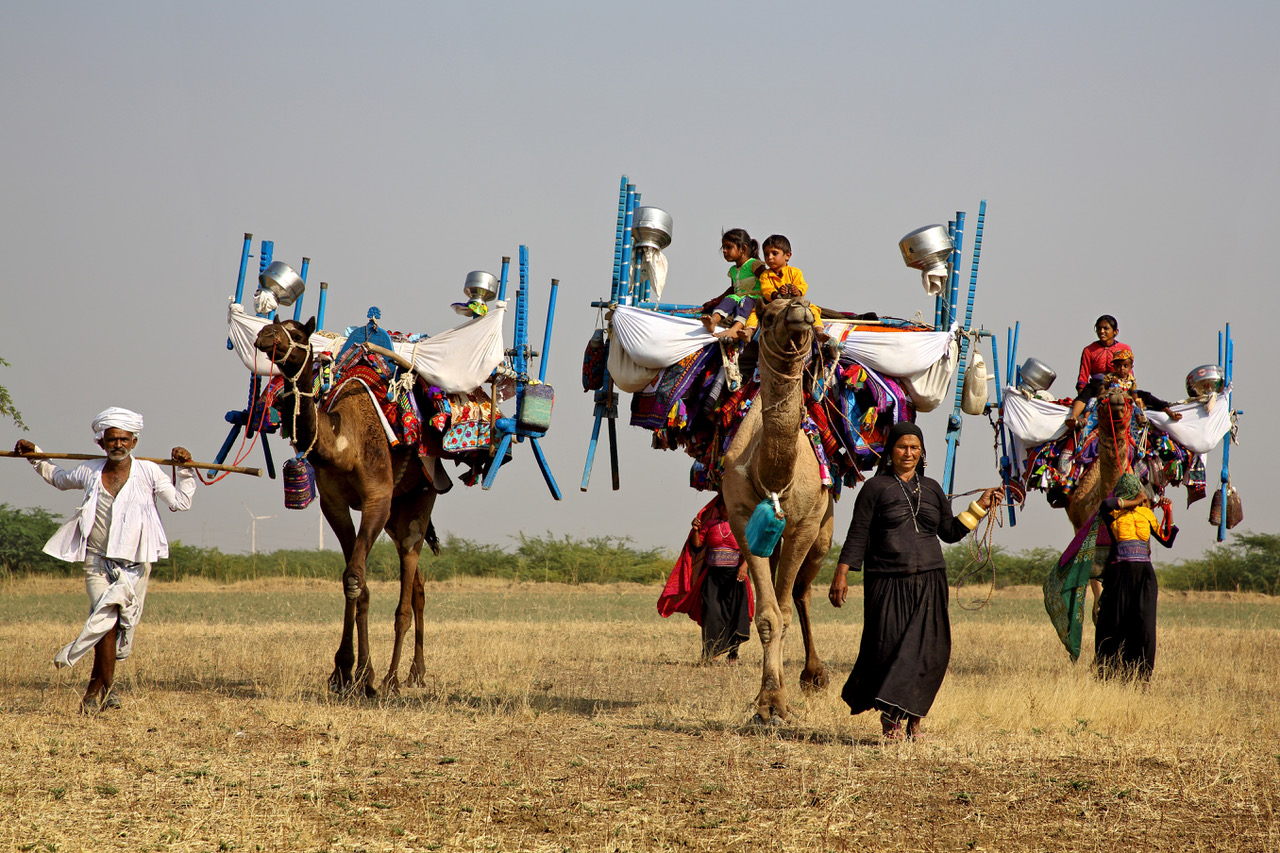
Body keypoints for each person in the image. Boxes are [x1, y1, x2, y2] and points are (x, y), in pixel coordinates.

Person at [14, 407, 196, 713]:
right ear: (102, 443)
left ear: (134, 442)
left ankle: (106, 688)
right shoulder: (89, 471)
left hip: (135, 567)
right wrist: (36, 456)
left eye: (124, 439)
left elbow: (180, 502)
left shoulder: (149, 472)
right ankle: (93, 693)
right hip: (97, 563)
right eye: (112, 440)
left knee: (122, 625)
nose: (118, 445)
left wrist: (186, 468)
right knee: (106, 621)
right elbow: (58, 478)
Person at [828, 422, 1001, 740]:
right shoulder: (875, 489)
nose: (908, 453)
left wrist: (980, 507)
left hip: (931, 580)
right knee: (890, 648)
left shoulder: (933, 488)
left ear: (922, 452)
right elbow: (858, 533)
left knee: (930, 652)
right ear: (891, 451)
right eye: (902, 447)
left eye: (914, 448)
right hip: (887, 580)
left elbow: (949, 532)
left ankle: (914, 720)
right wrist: (841, 573)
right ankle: (891, 718)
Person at [1094, 473, 1177, 681]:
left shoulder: (1146, 514)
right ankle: (1110, 673)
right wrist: (1135, 501)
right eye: (1136, 490)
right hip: (1119, 574)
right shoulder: (1113, 512)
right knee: (1115, 622)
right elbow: (1106, 503)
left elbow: (1167, 540)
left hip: (1144, 576)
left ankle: (1142, 676)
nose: (1142, 493)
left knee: (1144, 624)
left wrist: (1169, 512)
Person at [657, 495, 753, 664]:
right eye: (722, 506)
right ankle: (711, 653)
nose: (725, 509)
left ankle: (733, 654)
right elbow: (697, 545)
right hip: (712, 577)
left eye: (728, 506)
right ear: (718, 508)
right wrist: (695, 530)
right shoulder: (709, 525)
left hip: (735, 576)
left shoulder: (741, 526)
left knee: (735, 613)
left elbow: (749, 547)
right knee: (711, 613)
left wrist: (744, 567)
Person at [1064, 346, 1182, 430]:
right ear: (1114, 366)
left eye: (1125, 366)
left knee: (1143, 400)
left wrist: (1135, 399)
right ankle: (1083, 419)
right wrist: (1109, 383)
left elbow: (1133, 390)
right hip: (1109, 396)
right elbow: (1102, 388)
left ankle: (1167, 412)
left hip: (1126, 397)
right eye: (1119, 366)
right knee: (1091, 401)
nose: (1122, 369)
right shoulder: (1110, 376)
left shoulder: (1130, 379)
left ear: (1131, 367)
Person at [739, 234, 827, 342]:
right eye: (766, 254)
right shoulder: (765, 275)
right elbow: (767, 291)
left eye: (774, 253)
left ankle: (819, 332)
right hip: (773, 305)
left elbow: (803, 285)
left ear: (787, 255)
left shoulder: (795, 272)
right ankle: (748, 331)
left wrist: (798, 291)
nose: (769, 257)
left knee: (813, 310)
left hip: (794, 304)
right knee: (754, 312)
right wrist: (776, 294)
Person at [700, 229, 765, 340]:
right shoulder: (733, 270)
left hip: (754, 299)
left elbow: (767, 280)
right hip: (739, 297)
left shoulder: (754, 264)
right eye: (723, 247)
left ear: (743, 249)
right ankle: (713, 321)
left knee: (745, 301)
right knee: (729, 299)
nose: (724, 251)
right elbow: (733, 289)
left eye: (728, 247)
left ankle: (735, 329)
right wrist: (716, 300)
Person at [1076, 315, 1133, 394]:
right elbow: (1083, 376)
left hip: (1120, 386)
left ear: (1115, 331)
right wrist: (1081, 394)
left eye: (1105, 328)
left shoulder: (1124, 348)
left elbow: (1129, 373)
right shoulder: (1089, 350)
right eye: (1099, 328)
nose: (1102, 331)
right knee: (1080, 403)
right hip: (1095, 387)